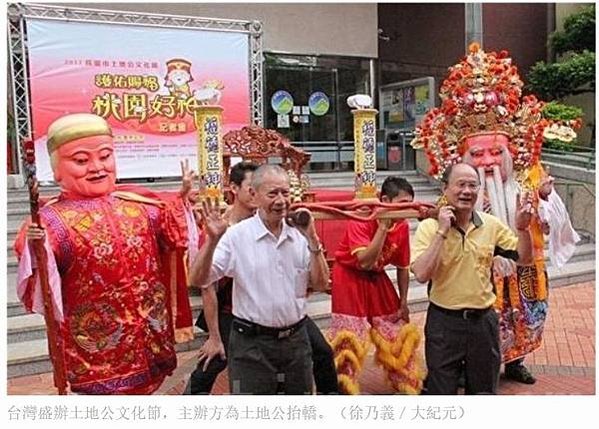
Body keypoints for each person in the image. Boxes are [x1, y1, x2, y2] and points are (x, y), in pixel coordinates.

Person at [411, 43, 581, 385]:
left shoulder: (527, 175)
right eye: (478, 153)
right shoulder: (456, 193)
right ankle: (462, 367)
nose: (488, 161)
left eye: (495, 151)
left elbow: (550, 220)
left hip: (523, 262)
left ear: (509, 151)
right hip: (472, 277)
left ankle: (516, 361)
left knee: (526, 312)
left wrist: (544, 201)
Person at [14, 113, 198, 394]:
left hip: (149, 335)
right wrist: (35, 245)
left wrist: (183, 200)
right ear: (57, 170)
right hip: (98, 349)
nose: (97, 167)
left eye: (105, 156)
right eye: (81, 160)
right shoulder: (51, 221)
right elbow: (40, 279)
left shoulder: (139, 206)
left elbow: (176, 237)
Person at [185, 161, 338, 394]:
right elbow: (198, 280)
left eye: (285, 193)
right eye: (273, 193)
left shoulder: (300, 234)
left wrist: (313, 240)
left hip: (296, 342)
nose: (280, 200)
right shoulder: (236, 236)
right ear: (254, 196)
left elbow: (319, 284)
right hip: (250, 345)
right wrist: (212, 240)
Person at [411, 163, 534, 395]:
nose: (467, 191)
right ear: (445, 189)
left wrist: (522, 228)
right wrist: (442, 232)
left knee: (484, 392)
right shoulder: (429, 227)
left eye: (472, 185)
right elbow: (421, 274)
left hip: (483, 323)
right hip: (444, 323)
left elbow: (524, 259)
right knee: (441, 392)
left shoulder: (491, 225)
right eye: (460, 185)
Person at [327, 176, 425, 395]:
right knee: (350, 335)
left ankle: (406, 383)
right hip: (350, 275)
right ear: (384, 200)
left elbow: (402, 266)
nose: (405, 211)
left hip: (376, 275)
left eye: (409, 205)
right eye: (401, 205)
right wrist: (382, 227)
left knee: (395, 328)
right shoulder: (361, 218)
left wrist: (403, 302)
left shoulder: (402, 225)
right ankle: (344, 388)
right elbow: (364, 261)